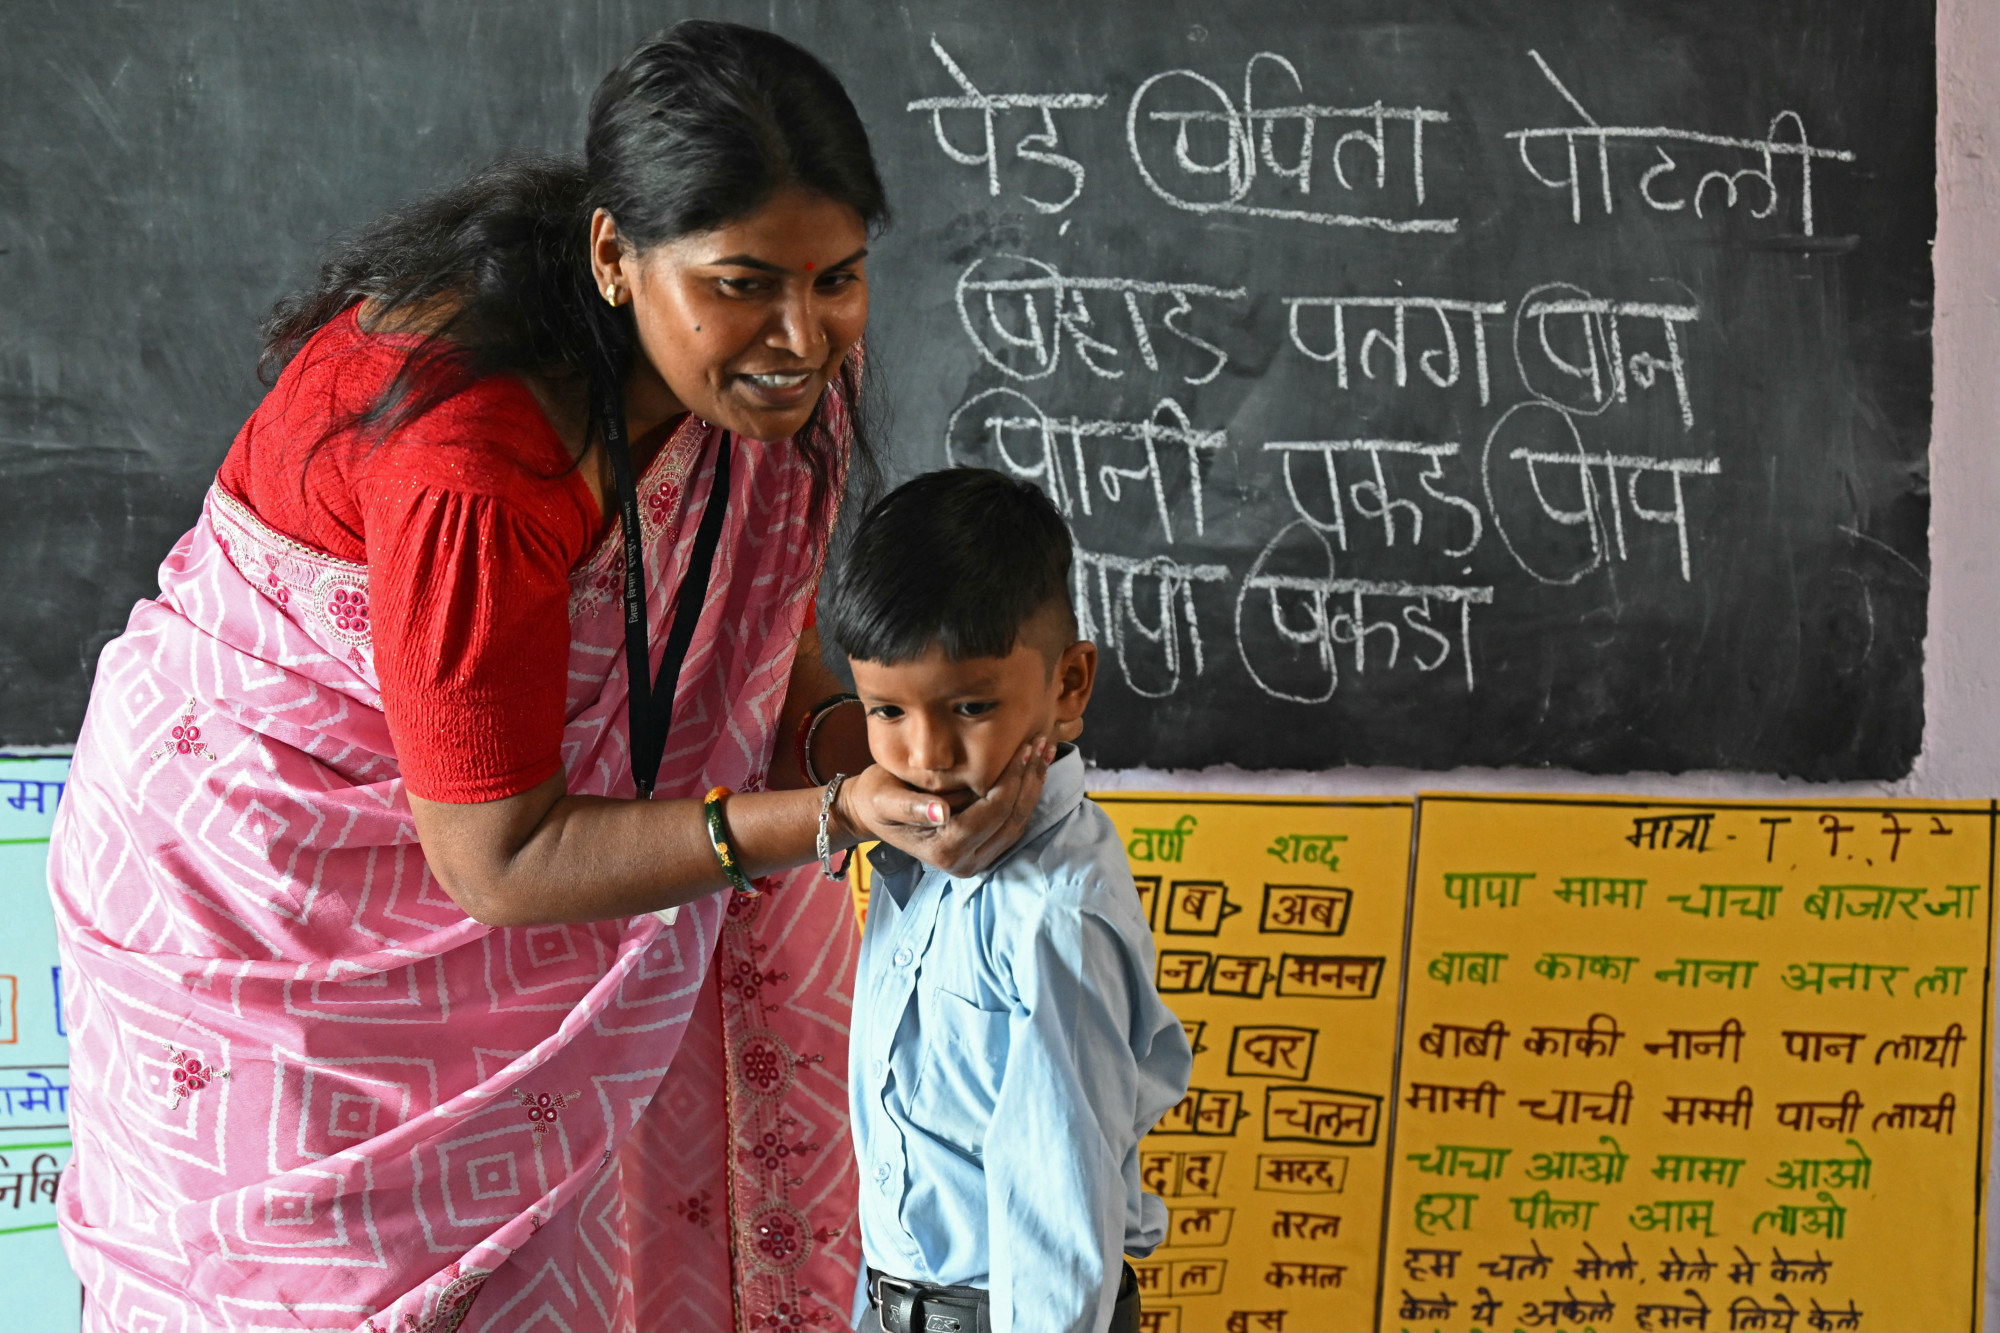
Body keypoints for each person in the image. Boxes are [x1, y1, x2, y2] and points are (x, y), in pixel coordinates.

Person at [45, 22, 1051, 1333]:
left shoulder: (779, 374)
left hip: (576, 862)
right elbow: (499, 859)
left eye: (840, 279)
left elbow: (763, 665)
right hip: (288, 890)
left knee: (605, 1255)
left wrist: (901, 764)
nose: (801, 335)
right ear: (615, 260)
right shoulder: (476, 445)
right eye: (744, 284)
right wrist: (828, 818)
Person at [822, 469, 1194, 1333]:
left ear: (1069, 686)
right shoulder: (916, 854)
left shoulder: (1052, 915)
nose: (926, 753)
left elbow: (1061, 1219)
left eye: (973, 705)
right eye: (886, 711)